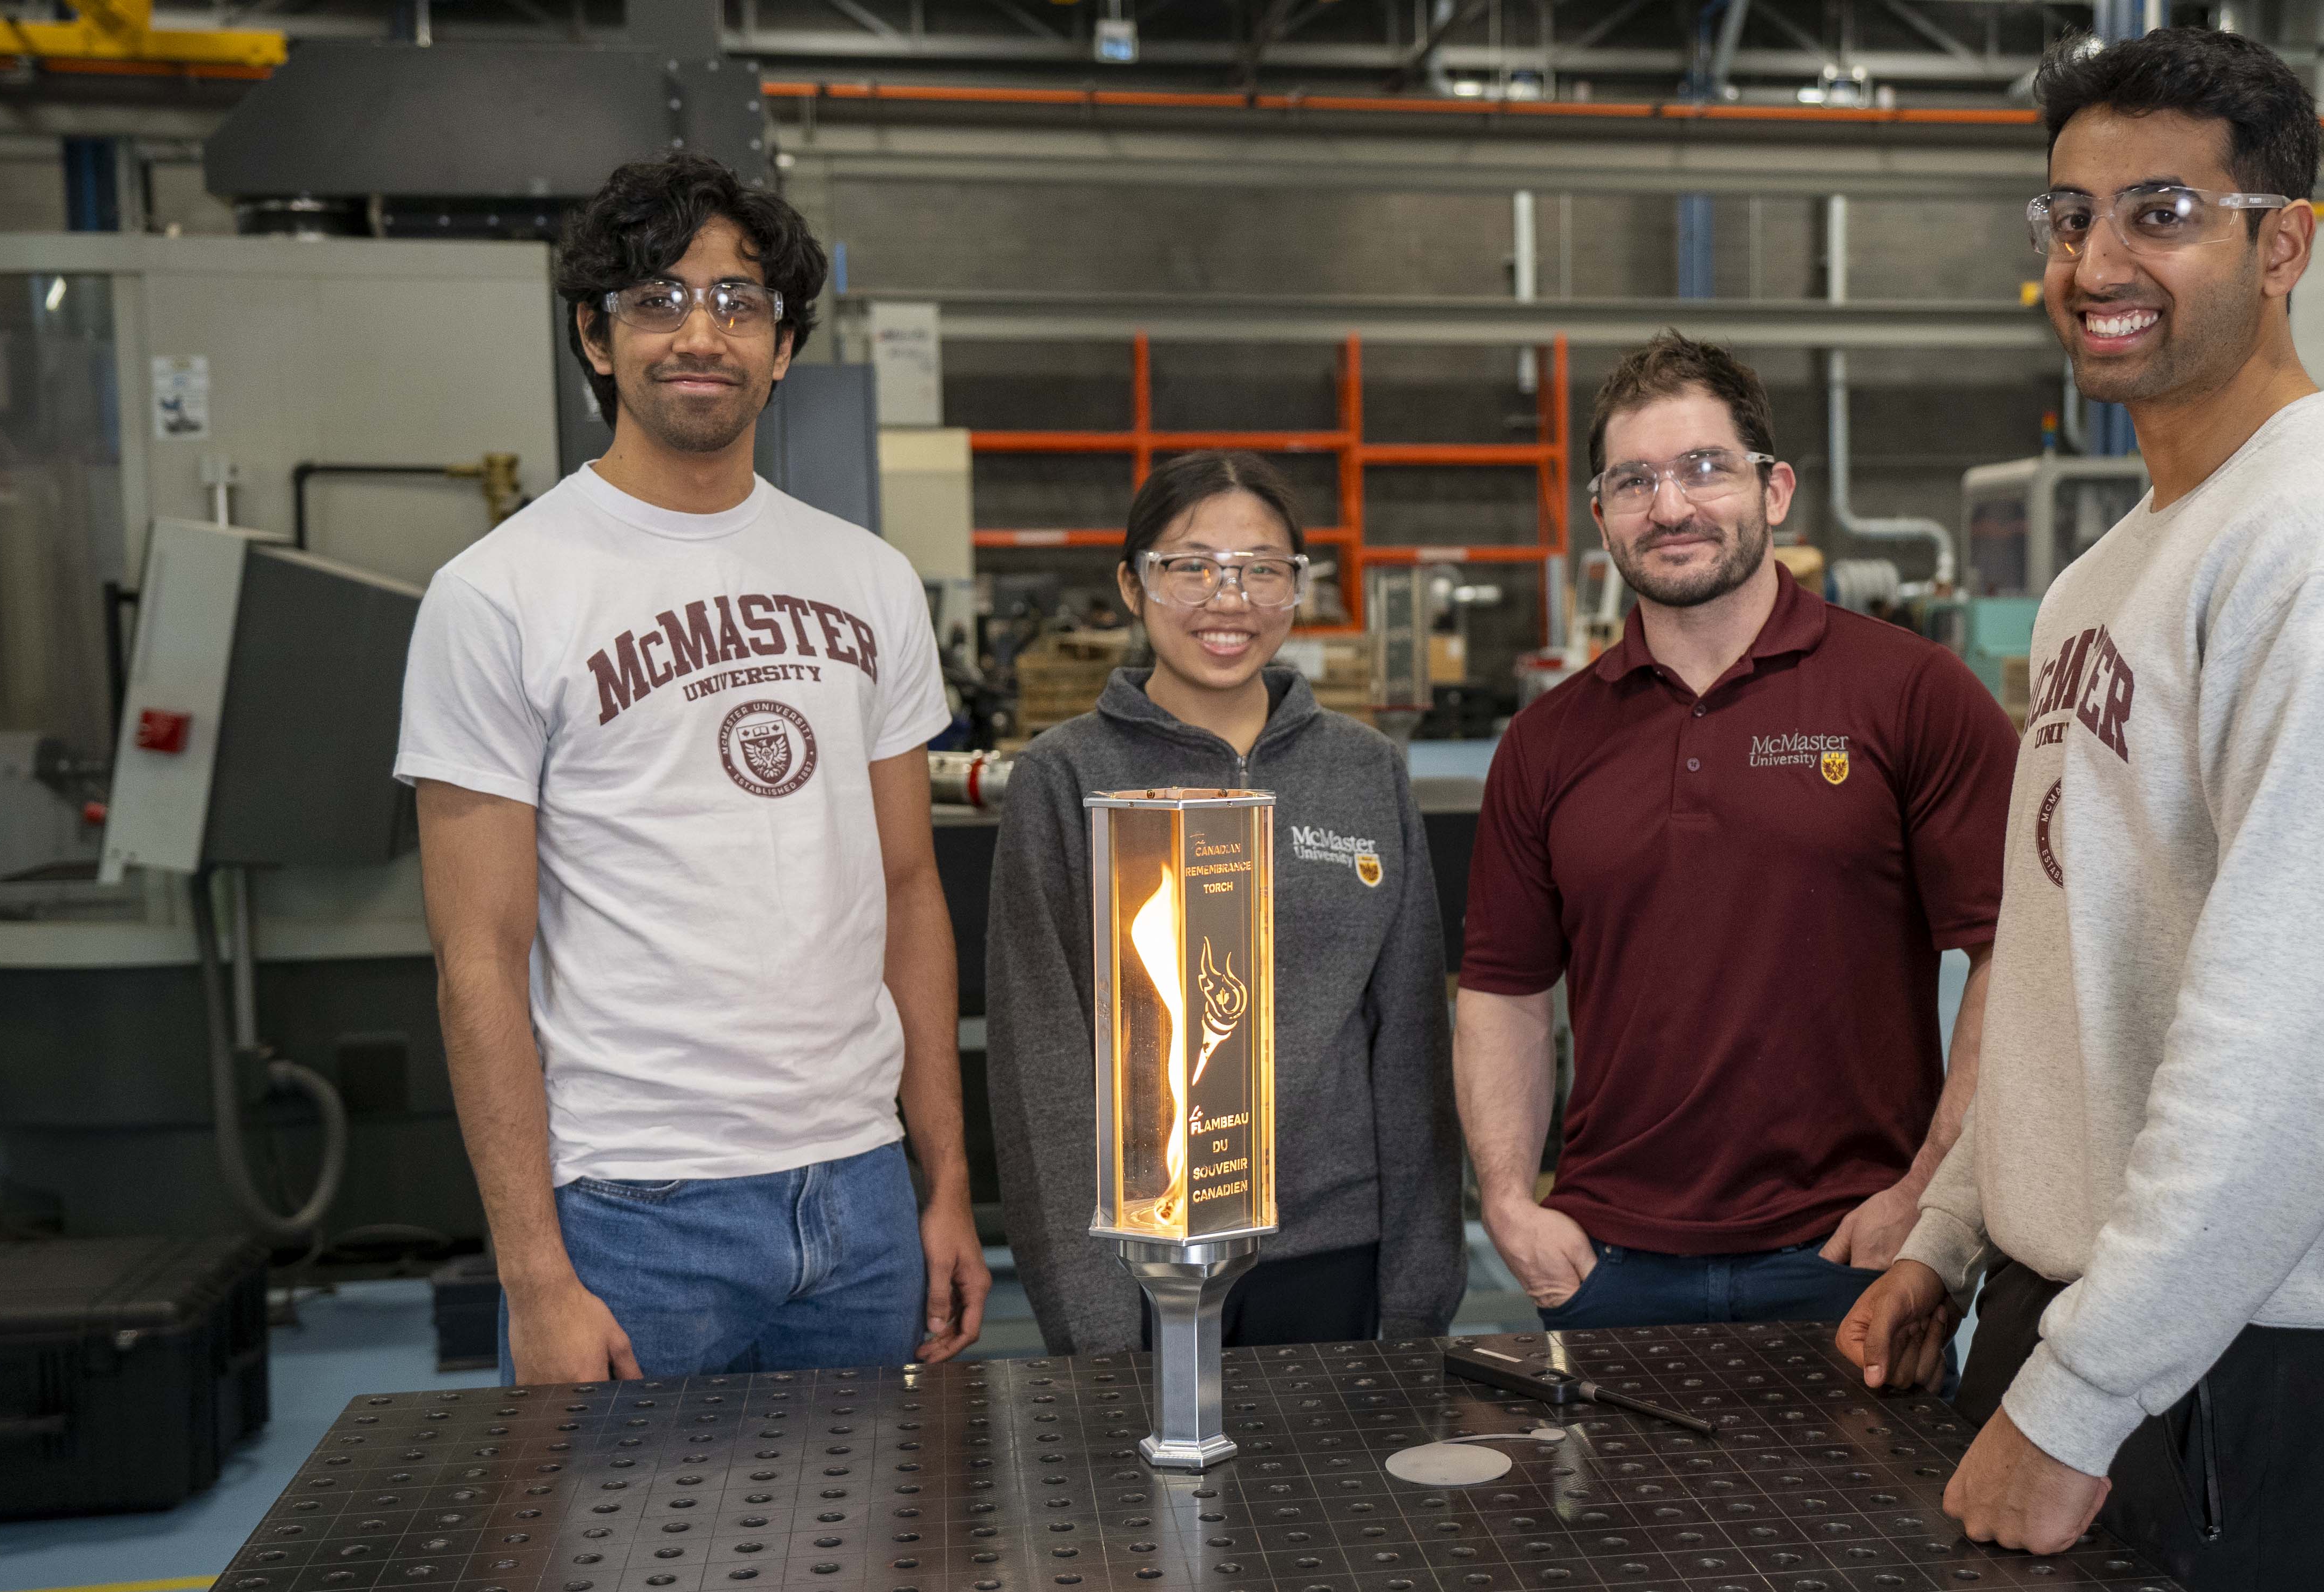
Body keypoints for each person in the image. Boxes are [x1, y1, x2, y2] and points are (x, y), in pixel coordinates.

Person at [1832, 30, 2324, 1592]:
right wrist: (1951, 1233)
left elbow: (2305, 1043)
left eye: (2162, 213)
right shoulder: (2106, 574)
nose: (2097, 263)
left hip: (2247, 1333)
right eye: (2071, 216)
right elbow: (2064, 971)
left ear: (2284, 245)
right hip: (2100, 1292)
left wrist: (2082, 1395)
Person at [397, 153, 989, 1384]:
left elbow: (908, 891)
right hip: (632, 1210)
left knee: (867, 1513)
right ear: (596, 337)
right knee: (613, 1519)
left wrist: (944, 1186)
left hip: (861, 1194)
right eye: (657, 299)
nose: (701, 333)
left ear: (784, 346)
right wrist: (536, 1276)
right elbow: (478, 958)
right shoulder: (498, 594)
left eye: (739, 301)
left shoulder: (870, 580)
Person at [1457, 331, 2017, 1335]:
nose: (1670, 506)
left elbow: (2011, 955)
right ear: (1601, 515)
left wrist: (1929, 1196)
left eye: (1705, 467)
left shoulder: (1912, 693)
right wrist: (1506, 1201)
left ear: (1775, 489)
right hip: (1610, 1267)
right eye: (1634, 481)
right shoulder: (1547, 742)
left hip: (1852, 1257)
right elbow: (1503, 990)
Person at [987, 451, 1465, 1353]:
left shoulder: (1363, 772)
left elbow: (1409, 1042)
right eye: (1191, 566)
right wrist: (1093, 1323)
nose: (1228, 599)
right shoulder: (1066, 776)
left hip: (1333, 1252)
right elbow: (1039, 1059)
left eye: (1262, 570)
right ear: (1132, 584)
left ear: (1297, 588)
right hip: (1137, 1259)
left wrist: (1417, 1291)